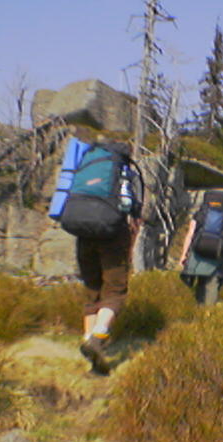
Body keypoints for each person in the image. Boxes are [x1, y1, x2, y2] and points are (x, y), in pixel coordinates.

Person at [77, 143, 143, 375]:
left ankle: (89, 344)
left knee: (92, 290)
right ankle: (98, 337)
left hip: (83, 233)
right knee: (115, 291)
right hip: (113, 234)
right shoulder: (124, 173)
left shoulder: (86, 168)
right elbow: (130, 206)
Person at [179, 190, 223, 305]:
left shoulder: (200, 214)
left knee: (187, 283)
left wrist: (183, 255)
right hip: (216, 254)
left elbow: (190, 234)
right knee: (211, 285)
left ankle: (186, 307)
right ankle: (207, 311)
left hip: (197, 253)